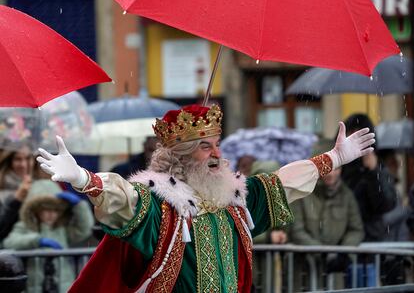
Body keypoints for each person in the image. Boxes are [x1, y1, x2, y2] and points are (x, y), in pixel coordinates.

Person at [36, 104, 375, 293]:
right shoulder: (160, 204)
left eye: (217, 143)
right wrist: (83, 178)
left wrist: (333, 158)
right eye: (204, 146)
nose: (217, 154)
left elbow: (281, 183)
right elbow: (122, 199)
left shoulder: (234, 200)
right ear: (181, 155)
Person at [289, 139, 364, 290]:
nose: (331, 174)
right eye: (328, 168)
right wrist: (322, 253)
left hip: (334, 275)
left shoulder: (347, 196)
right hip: (305, 272)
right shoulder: (302, 192)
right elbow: (296, 230)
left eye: (336, 168)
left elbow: (356, 229)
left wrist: (343, 253)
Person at [3, 179, 94, 293]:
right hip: (34, 287)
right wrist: (37, 241)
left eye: (56, 210)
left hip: (63, 285)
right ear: (35, 209)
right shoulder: (26, 226)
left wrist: (80, 206)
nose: (51, 214)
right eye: (46, 209)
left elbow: (84, 229)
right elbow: (10, 242)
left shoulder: (62, 229)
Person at [341, 114, 397, 242]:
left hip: (372, 241)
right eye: (351, 135)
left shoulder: (379, 167)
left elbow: (386, 204)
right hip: (344, 241)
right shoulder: (341, 167)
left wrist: (373, 171)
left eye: (360, 135)